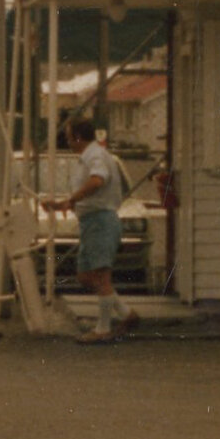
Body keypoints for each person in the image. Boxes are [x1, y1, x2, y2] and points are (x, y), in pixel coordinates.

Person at [43, 117, 141, 344]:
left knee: (100, 276)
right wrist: (62, 204)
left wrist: (72, 199)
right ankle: (126, 314)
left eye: (69, 136)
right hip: (91, 221)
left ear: (78, 137)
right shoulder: (89, 156)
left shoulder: (95, 155)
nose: (67, 140)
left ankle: (103, 328)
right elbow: (88, 191)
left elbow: (98, 180)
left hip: (101, 220)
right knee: (86, 276)